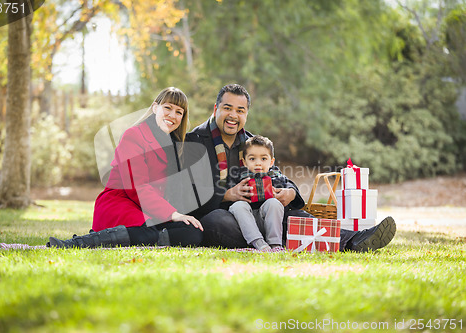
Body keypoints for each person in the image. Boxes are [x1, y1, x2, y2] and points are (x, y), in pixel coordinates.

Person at [186, 83, 396, 251]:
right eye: (227, 108)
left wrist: (289, 192)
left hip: (263, 212)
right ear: (216, 109)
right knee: (218, 223)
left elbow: (277, 175)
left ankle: (354, 241)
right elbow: (187, 193)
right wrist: (227, 194)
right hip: (223, 215)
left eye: (240, 110)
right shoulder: (194, 142)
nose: (233, 115)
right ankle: (267, 241)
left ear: (246, 114)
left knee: (298, 217)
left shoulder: (252, 143)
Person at [48, 87, 203, 248]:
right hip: (121, 203)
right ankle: (79, 242)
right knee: (148, 232)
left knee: (192, 232)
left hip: (151, 211)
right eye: (168, 108)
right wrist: (172, 214)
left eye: (179, 112)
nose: (172, 115)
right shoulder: (134, 135)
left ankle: (147, 239)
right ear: (155, 107)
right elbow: (137, 188)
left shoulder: (174, 147)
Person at [229, 135, 290, 251]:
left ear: (271, 162)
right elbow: (230, 189)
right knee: (238, 205)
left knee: (274, 203)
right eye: (252, 159)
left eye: (263, 159)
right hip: (244, 220)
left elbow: (285, 185)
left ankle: (275, 244)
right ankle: (259, 243)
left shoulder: (275, 175)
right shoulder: (240, 175)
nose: (258, 163)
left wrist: (275, 188)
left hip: (265, 218)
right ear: (244, 162)